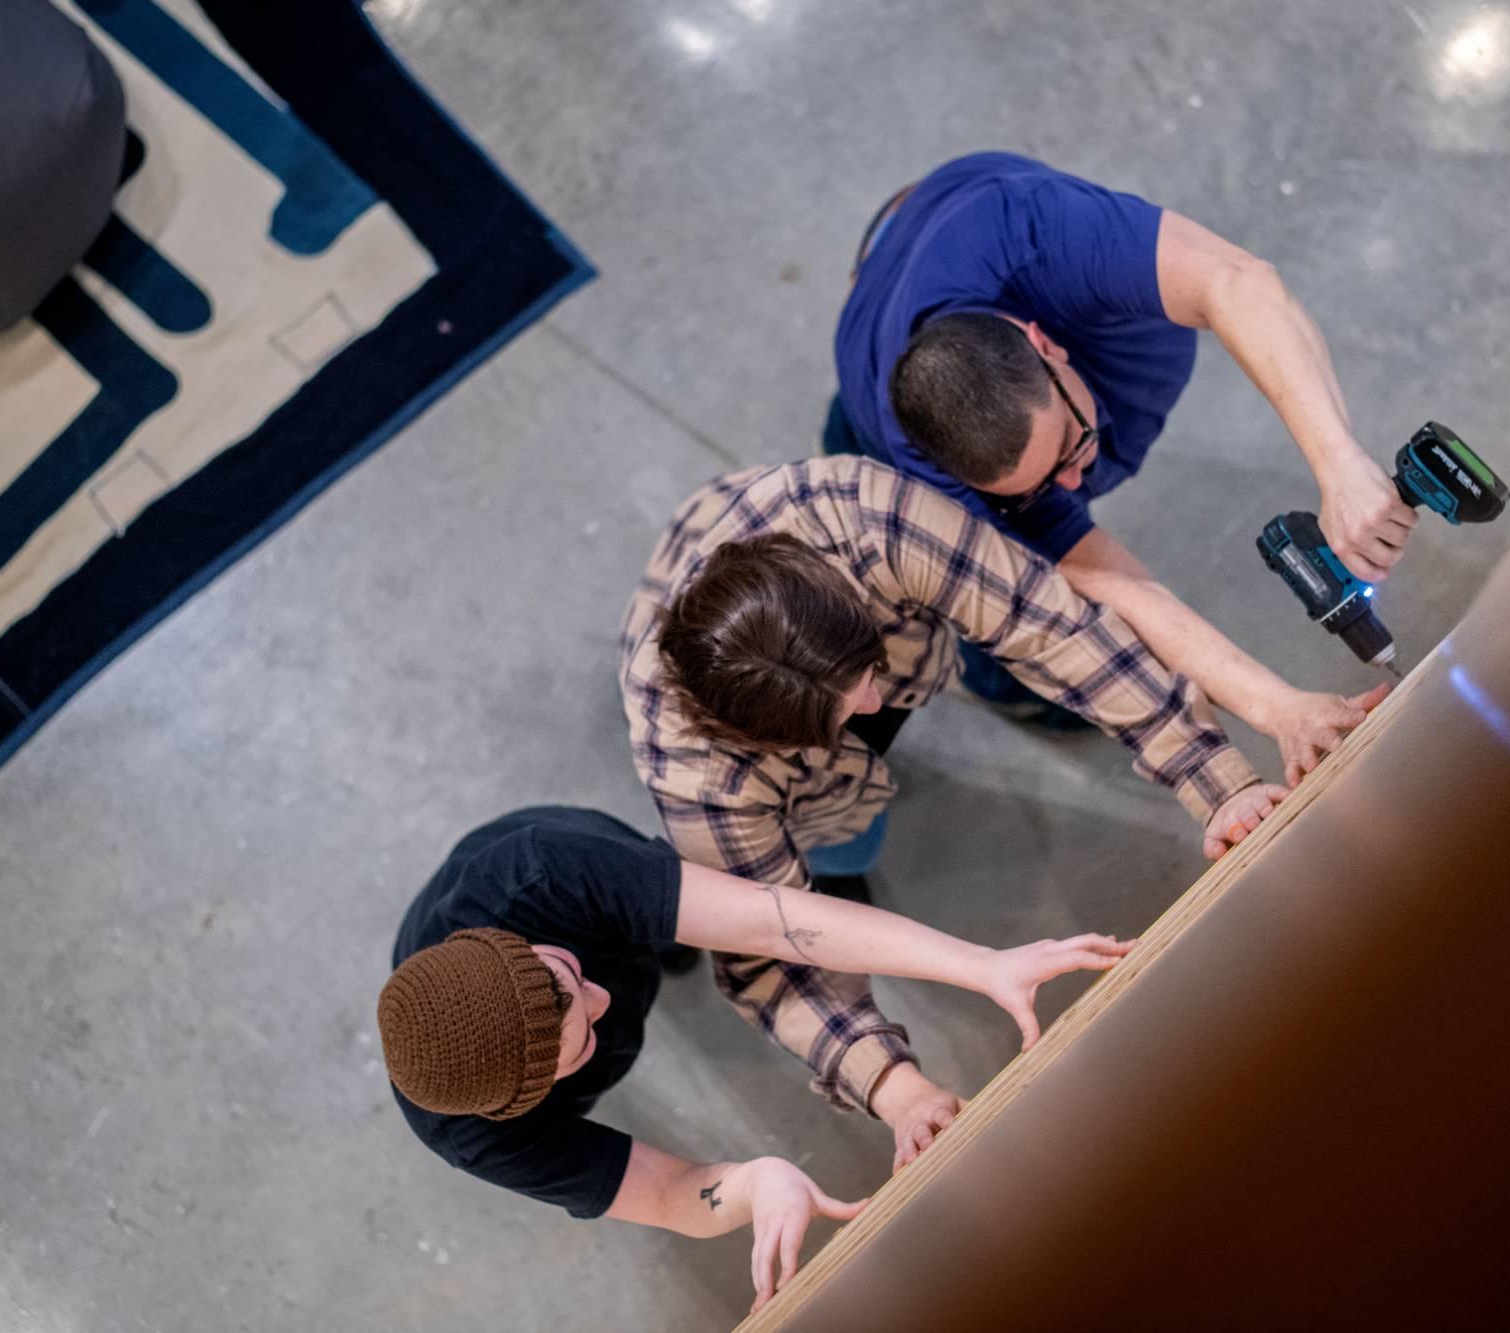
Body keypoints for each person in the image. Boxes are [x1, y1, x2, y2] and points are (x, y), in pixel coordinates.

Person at [618, 455, 1378, 1168]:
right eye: (850, 711)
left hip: (785, 614)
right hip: (770, 774)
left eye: (870, 671)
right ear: (761, 739)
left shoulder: (866, 515)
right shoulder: (700, 772)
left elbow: (1052, 627)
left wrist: (1216, 779)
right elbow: (766, 955)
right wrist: (894, 1086)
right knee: (835, 852)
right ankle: (824, 855)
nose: (878, 701)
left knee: (876, 757)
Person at [378, 805, 1130, 1312]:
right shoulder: (481, 1135)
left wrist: (980, 963)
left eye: (568, 975)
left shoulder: (543, 871)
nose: (603, 1001)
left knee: (672, 924)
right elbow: (672, 1193)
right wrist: (752, 1183)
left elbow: (776, 924)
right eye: (582, 1040)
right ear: (533, 1096)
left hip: (564, 864)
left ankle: (656, 932)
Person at [831, 151, 1399, 776]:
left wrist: (1341, 464)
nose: (1075, 484)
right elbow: (1108, 580)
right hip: (871, 342)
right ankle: (999, 685)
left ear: (1043, 340)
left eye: (1072, 446)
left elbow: (1240, 281)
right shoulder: (926, 462)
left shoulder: (1039, 236)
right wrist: (1280, 710)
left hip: (930, 212)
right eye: (1041, 488)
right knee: (1003, 592)